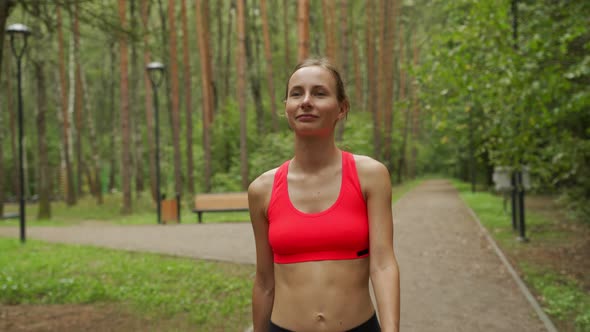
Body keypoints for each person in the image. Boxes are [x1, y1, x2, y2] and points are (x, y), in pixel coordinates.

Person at [248, 58, 400, 332]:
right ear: (287, 108)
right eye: (297, 93)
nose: (306, 101)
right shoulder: (262, 189)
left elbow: (383, 265)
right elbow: (264, 282)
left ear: (341, 108)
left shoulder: (371, 176)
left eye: (319, 93)